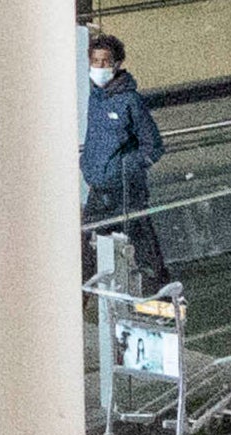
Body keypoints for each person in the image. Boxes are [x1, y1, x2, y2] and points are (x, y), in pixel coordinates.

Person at [81, 32, 171, 296]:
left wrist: (125, 167)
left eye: (104, 62)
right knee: (87, 245)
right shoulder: (94, 98)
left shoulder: (130, 101)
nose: (98, 67)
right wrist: (87, 164)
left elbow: (153, 146)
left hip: (126, 190)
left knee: (143, 245)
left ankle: (161, 296)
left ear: (116, 64)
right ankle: (83, 298)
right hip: (99, 188)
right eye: (94, 61)